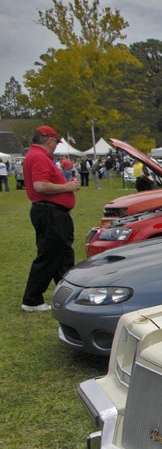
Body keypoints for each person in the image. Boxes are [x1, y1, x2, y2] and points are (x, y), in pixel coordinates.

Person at [21, 125, 80, 312]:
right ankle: (32, 299)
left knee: (63, 255)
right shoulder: (39, 157)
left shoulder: (37, 156)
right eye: (55, 142)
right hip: (49, 212)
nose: (55, 147)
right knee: (49, 255)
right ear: (49, 141)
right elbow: (40, 186)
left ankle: (66, 295)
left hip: (52, 212)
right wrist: (67, 188)